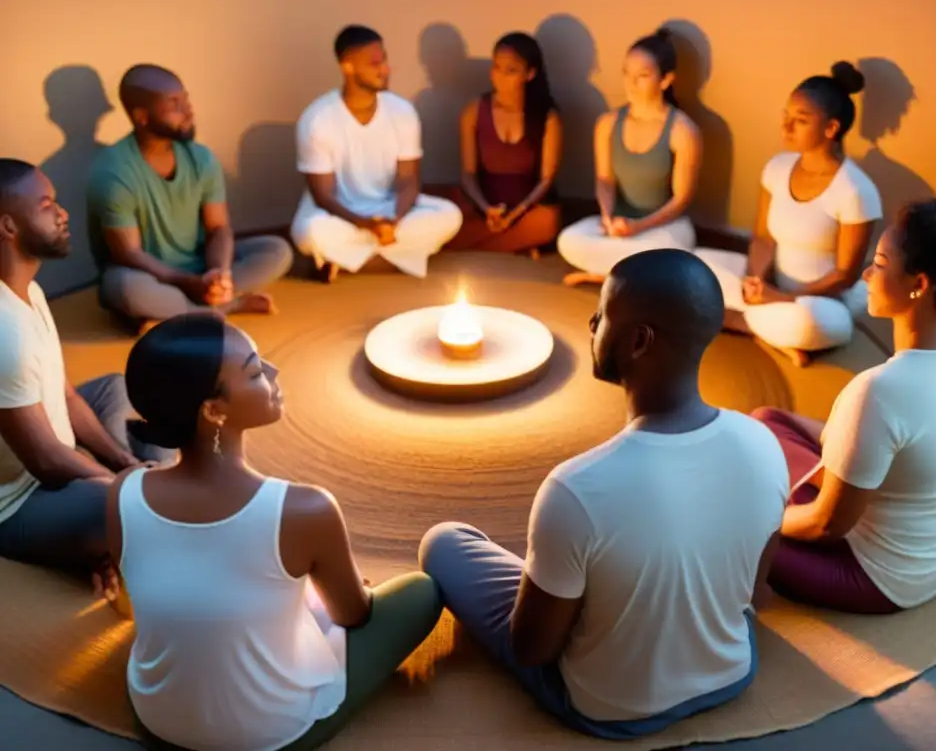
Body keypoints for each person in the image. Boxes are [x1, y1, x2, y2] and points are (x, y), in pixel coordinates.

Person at [419, 249, 788, 739]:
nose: (591, 322)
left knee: (443, 543)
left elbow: (531, 649)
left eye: (603, 313)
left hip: (611, 707)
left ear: (639, 341)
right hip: (731, 673)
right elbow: (751, 596)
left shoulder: (576, 488)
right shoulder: (763, 444)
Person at [110, 313, 442, 750]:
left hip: (159, 716)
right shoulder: (304, 509)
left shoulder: (121, 492)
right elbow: (353, 616)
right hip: (269, 733)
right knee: (421, 591)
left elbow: (145, 595)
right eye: (254, 371)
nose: (273, 372)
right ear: (213, 411)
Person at [754, 197, 936, 614]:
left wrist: (752, 521)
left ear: (919, 285)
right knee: (767, 420)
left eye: (881, 263)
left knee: (718, 525)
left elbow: (825, 525)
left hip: (880, 576)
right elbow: (908, 441)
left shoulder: (879, 390)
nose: (867, 273)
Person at [0, 159, 173, 582]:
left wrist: (123, 461)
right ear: (8, 226)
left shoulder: (30, 290)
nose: (63, 213)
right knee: (121, 507)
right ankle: (148, 504)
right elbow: (45, 461)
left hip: (54, 453)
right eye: (47, 205)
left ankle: (150, 491)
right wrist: (126, 485)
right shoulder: (5, 333)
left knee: (116, 389)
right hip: (18, 501)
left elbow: (68, 395)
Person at [694, 62, 882, 367]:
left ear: (831, 128)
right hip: (771, 286)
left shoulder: (856, 191)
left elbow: (845, 276)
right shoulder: (777, 168)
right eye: (786, 116)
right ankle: (761, 329)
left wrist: (780, 296)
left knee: (809, 323)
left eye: (800, 120)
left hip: (819, 303)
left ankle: (736, 320)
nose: (787, 127)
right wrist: (756, 281)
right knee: (691, 266)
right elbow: (763, 238)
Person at [86, 65, 294, 334]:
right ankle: (219, 310)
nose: (188, 111)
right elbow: (129, 253)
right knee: (127, 290)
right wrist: (187, 283)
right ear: (142, 117)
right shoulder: (113, 172)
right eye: (174, 105)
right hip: (148, 276)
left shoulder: (202, 159)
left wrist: (219, 274)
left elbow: (218, 228)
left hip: (199, 265)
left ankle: (189, 311)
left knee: (277, 251)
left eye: (186, 99)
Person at [291, 25, 462, 281]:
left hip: (389, 207)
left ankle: (350, 262)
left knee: (450, 215)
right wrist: (366, 225)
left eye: (385, 61)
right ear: (348, 67)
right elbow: (323, 196)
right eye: (375, 64)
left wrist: (394, 220)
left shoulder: (402, 111)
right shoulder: (317, 119)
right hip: (339, 214)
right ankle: (395, 259)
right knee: (310, 233)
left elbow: (408, 180)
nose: (385, 70)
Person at [557, 31, 701, 287]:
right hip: (620, 226)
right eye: (626, 73)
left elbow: (681, 200)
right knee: (568, 241)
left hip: (663, 227)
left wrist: (639, 227)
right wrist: (607, 216)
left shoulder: (682, 130)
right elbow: (604, 179)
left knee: (668, 256)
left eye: (642, 76)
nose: (631, 83)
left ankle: (608, 276)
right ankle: (625, 277)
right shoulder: (608, 124)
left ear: (666, 80)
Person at [437, 32, 563, 255]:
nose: (499, 76)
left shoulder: (547, 118)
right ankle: (516, 245)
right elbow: (467, 173)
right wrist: (487, 210)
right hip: (483, 206)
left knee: (549, 221)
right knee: (445, 213)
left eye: (510, 70)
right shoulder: (474, 111)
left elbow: (546, 180)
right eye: (496, 67)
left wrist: (515, 214)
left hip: (526, 209)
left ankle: (494, 242)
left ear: (530, 74)